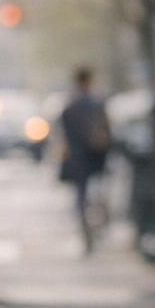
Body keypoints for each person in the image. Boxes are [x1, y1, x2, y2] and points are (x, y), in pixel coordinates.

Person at [59, 67, 113, 252]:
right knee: (98, 192)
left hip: (77, 158)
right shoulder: (97, 103)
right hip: (96, 156)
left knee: (81, 195)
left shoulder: (69, 106)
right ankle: (99, 228)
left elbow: (64, 135)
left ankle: (85, 228)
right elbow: (107, 130)